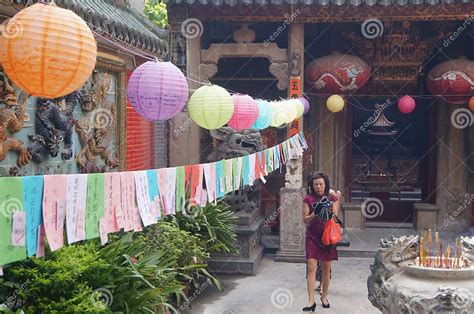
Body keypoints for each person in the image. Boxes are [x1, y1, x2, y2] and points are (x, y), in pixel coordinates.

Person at [302, 172, 341, 311]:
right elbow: (305, 219)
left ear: (325, 185)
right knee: (311, 266)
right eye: (315, 184)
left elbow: (335, 216)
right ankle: (311, 301)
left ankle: (324, 296)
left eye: (321, 184)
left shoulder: (332, 198)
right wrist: (315, 213)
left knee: (326, 267)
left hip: (327, 236)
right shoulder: (308, 199)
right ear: (312, 186)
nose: (318, 187)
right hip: (312, 236)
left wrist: (326, 208)